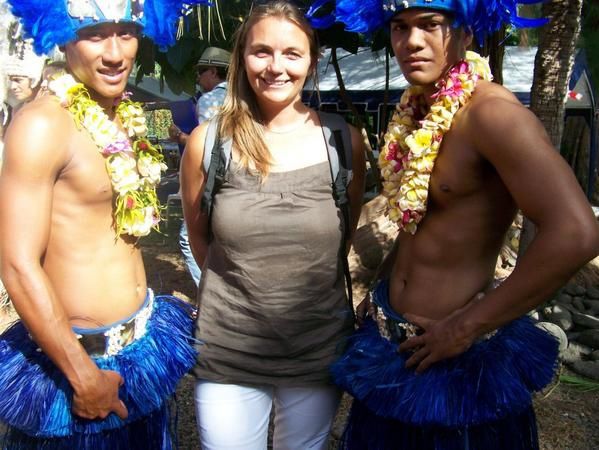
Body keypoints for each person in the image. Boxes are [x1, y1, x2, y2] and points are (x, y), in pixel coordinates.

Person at [306, 0, 599, 449]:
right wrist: (385, 287)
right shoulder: (418, 111)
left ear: (466, 31)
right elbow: (422, 223)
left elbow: (576, 233)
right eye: (400, 27)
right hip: (395, 346)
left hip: (457, 363)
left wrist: (466, 328)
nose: (412, 41)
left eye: (430, 24)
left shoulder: (491, 115)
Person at [0, 0, 209, 448]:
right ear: (62, 37)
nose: (114, 53)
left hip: (139, 342)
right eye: (95, 35)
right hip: (77, 364)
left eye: (126, 33)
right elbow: (17, 263)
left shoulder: (124, 114)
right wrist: (83, 375)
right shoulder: (42, 125)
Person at [180, 1, 366, 449]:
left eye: (291, 54)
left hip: (315, 352)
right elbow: (201, 240)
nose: (275, 67)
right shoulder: (209, 142)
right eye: (261, 51)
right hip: (229, 352)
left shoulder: (343, 140)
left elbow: (342, 233)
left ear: (311, 61)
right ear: (242, 57)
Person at [170, 46, 231, 287]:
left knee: (189, 238)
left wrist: (181, 137)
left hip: (215, 179)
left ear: (214, 73)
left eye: (201, 71)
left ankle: (210, 291)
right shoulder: (245, 97)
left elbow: (209, 146)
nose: (197, 78)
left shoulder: (210, 100)